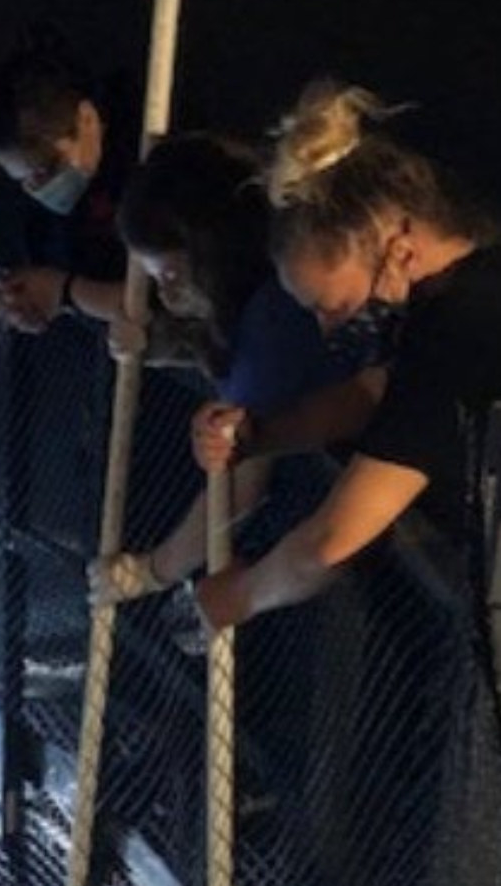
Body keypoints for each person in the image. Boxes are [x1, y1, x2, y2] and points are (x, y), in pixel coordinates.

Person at [190, 82, 501, 630]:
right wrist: (258, 434)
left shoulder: (463, 329)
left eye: (336, 306)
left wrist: (241, 595)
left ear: (396, 244)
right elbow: (372, 395)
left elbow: (333, 540)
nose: (330, 330)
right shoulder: (488, 282)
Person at [88, 133, 374, 605]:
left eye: (171, 275)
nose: (167, 294)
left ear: (210, 249)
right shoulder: (266, 285)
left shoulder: (272, 329)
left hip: (352, 539)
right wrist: (158, 342)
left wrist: (150, 572)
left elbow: (238, 484)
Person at [0, 31, 136, 336]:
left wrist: (64, 292)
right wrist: (32, 300)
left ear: (86, 119)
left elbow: (161, 303)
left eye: (48, 169)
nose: (40, 189)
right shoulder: (47, 223)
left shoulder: (152, 157)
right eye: (25, 181)